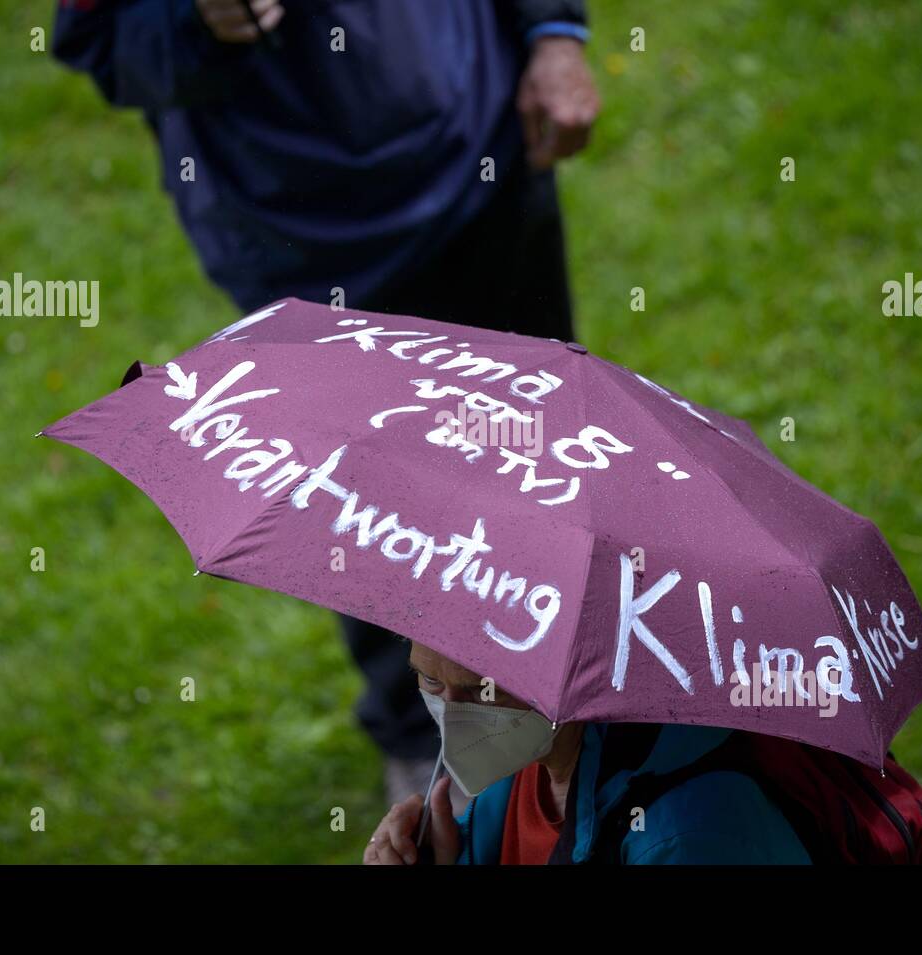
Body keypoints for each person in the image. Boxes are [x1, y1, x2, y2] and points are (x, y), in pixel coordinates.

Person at [51, 0, 601, 807]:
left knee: (546, 459)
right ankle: (428, 738)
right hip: (299, 239)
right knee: (373, 511)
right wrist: (195, 25)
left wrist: (553, 32)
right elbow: (104, 43)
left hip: (487, 158)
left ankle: (585, 693)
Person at [364, 640, 814, 865]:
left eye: (485, 691)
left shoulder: (683, 839)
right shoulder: (528, 758)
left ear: (569, 671)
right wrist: (449, 856)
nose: (456, 717)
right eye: (430, 681)